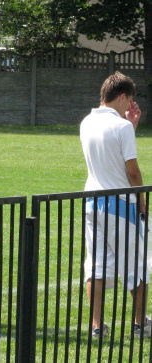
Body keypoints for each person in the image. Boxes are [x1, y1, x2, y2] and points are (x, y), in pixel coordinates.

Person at [80, 71, 151, 338]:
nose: (128, 107)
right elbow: (132, 171)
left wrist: (129, 125)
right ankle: (139, 323)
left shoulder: (87, 122)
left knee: (96, 265)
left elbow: (108, 152)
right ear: (122, 96)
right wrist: (142, 201)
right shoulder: (120, 127)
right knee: (137, 264)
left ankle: (97, 326)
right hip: (120, 204)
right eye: (128, 101)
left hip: (92, 202)